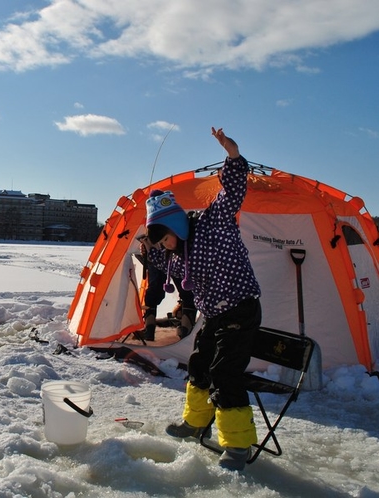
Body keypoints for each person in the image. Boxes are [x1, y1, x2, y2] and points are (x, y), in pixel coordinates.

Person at [144, 126, 262, 471]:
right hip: (215, 316)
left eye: (163, 237)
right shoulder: (178, 252)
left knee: (225, 373)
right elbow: (158, 264)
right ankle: (196, 420)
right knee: (198, 365)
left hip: (241, 308)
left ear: (176, 226)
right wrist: (148, 248)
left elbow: (234, 191)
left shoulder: (215, 221)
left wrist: (234, 156)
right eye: (160, 241)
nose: (164, 245)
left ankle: (237, 445)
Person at [139, 257, 196, 341]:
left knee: (154, 289)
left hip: (157, 250)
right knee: (186, 290)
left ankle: (149, 331)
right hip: (176, 252)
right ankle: (186, 332)